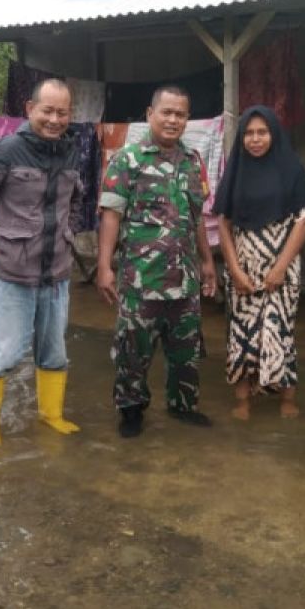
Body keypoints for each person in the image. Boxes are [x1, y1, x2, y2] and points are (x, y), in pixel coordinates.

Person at [0, 78, 83, 447]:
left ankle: (52, 416)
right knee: (3, 353)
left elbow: (75, 201)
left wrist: (69, 233)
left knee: (54, 351)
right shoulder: (8, 150)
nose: (54, 119)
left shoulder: (72, 152)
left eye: (62, 112)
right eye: (47, 110)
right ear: (30, 109)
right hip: (13, 274)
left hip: (57, 274)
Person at [97, 85, 218, 438]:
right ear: (150, 114)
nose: (173, 120)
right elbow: (111, 216)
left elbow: (195, 219)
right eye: (166, 112)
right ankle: (131, 410)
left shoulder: (193, 162)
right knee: (134, 349)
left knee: (186, 349)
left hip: (185, 279)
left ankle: (183, 406)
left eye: (180, 114)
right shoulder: (128, 160)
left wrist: (208, 262)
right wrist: (105, 266)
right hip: (141, 280)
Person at [213, 106, 305, 420]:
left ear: (273, 134)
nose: (255, 139)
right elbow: (224, 222)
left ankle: (286, 395)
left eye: (262, 132)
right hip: (243, 267)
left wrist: (280, 267)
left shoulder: (291, 169)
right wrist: (232, 268)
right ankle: (244, 399)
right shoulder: (236, 170)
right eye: (248, 133)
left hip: (281, 267)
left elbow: (304, 219)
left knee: (279, 329)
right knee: (242, 331)